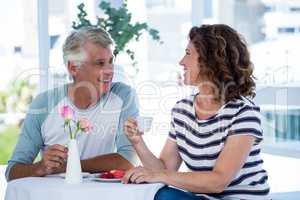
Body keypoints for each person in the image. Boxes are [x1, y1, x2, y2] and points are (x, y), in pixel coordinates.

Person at [123, 24, 270, 200]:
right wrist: (138, 142)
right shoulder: (182, 110)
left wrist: (159, 176)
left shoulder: (243, 113)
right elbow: (164, 170)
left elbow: (218, 181)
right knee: (156, 192)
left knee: (164, 196)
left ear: (210, 61)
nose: (181, 62)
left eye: (188, 53)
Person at [5, 27, 139, 181]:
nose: (109, 70)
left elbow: (128, 161)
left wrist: (70, 165)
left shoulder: (124, 96)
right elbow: (12, 172)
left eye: (110, 61)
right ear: (73, 67)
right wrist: (40, 167)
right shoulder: (44, 104)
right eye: (100, 63)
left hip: (103, 194)